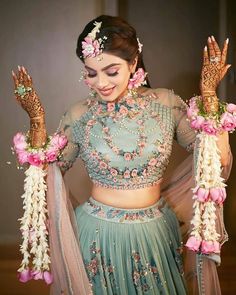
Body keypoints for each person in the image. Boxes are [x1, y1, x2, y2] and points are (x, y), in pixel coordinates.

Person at [12, 15, 233, 295]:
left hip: (154, 235)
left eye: (111, 71)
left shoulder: (166, 104)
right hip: (95, 236)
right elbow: (46, 177)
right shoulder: (79, 115)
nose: (101, 83)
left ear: (133, 63)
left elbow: (216, 160)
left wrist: (210, 96)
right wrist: (37, 123)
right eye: (91, 73)